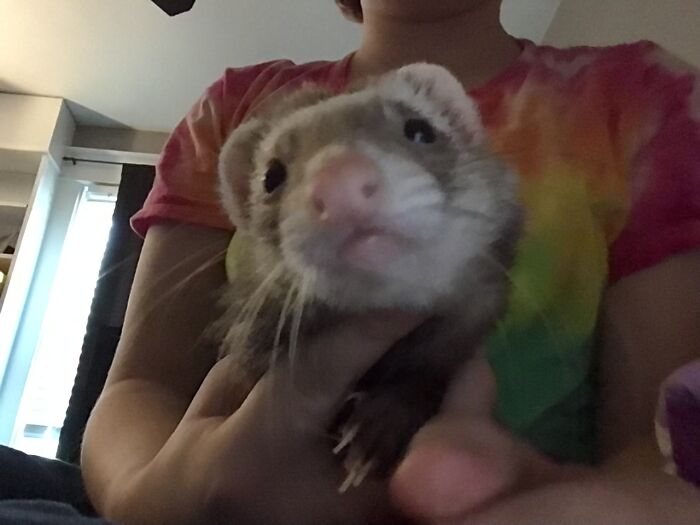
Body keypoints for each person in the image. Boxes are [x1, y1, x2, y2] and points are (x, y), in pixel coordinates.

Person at [80, 0, 700, 523]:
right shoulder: (232, 109)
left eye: (420, 135)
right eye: (273, 179)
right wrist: (154, 495)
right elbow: (140, 385)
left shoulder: (644, 98)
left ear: (461, 131)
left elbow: (661, 438)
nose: (344, 187)